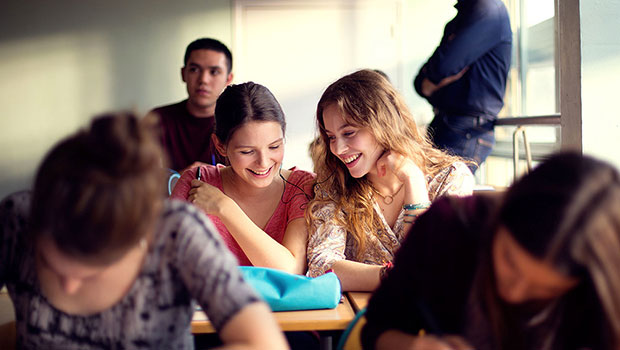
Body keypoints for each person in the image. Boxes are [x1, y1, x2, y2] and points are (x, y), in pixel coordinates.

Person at [0, 113, 288, 349]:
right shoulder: (16, 219)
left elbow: (265, 343)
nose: (70, 287)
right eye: (50, 264)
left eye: (93, 271)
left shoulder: (178, 232)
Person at [362, 152, 620, 350]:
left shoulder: (602, 291)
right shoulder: (446, 228)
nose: (514, 292)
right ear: (501, 214)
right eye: (510, 262)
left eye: (543, 290)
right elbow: (376, 330)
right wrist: (417, 346)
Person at [306, 69, 474, 291]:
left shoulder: (451, 177)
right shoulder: (335, 184)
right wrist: (389, 276)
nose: (337, 148)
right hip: (359, 318)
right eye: (331, 137)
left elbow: (437, 265)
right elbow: (321, 263)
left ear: (383, 125)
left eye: (349, 133)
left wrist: (413, 182)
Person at [170, 82, 315, 275]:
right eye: (247, 151)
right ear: (220, 146)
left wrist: (225, 208)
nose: (263, 162)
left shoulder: (301, 186)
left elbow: (290, 271)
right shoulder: (195, 183)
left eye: (274, 147)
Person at [414, 0, 512, 172]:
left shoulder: (487, 9)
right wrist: (429, 82)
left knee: (438, 195)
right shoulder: (463, 16)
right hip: (448, 123)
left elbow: (441, 67)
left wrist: (432, 81)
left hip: (466, 127)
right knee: (428, 192)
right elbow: (420, 82)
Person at [146, 38, 234, 172]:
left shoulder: (238, 123)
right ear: (183, 74)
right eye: (194, 69)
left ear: (228, 79)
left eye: (214, 72)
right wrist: (179, 180)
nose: (203, 80)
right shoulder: (156, 120)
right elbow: (138, 178)